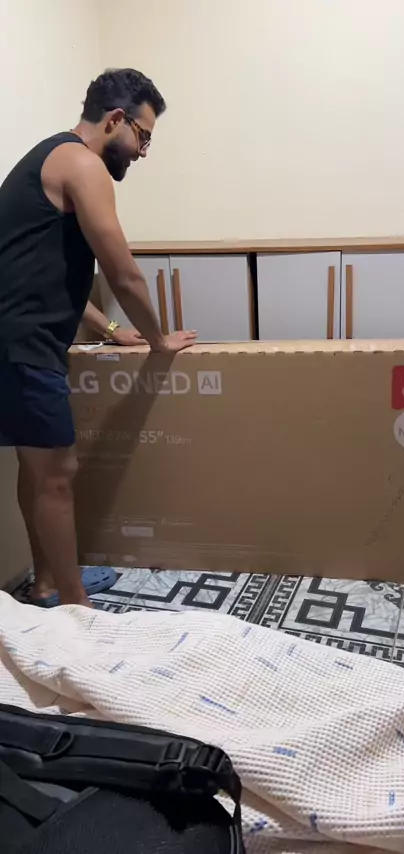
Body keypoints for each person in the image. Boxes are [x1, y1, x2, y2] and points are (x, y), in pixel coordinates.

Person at [0, 68, 197, 608]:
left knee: (37, 470)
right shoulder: (83, 165)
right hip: (23, 347)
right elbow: (124, 274)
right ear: (115, 120)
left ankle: (48, 581)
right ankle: (74, 607)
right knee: (57, 474)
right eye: (143, 136)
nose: (143, 151)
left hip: (16, 343)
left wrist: (110, 329)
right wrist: (159, 340)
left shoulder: (51, 157)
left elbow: (43, 273)